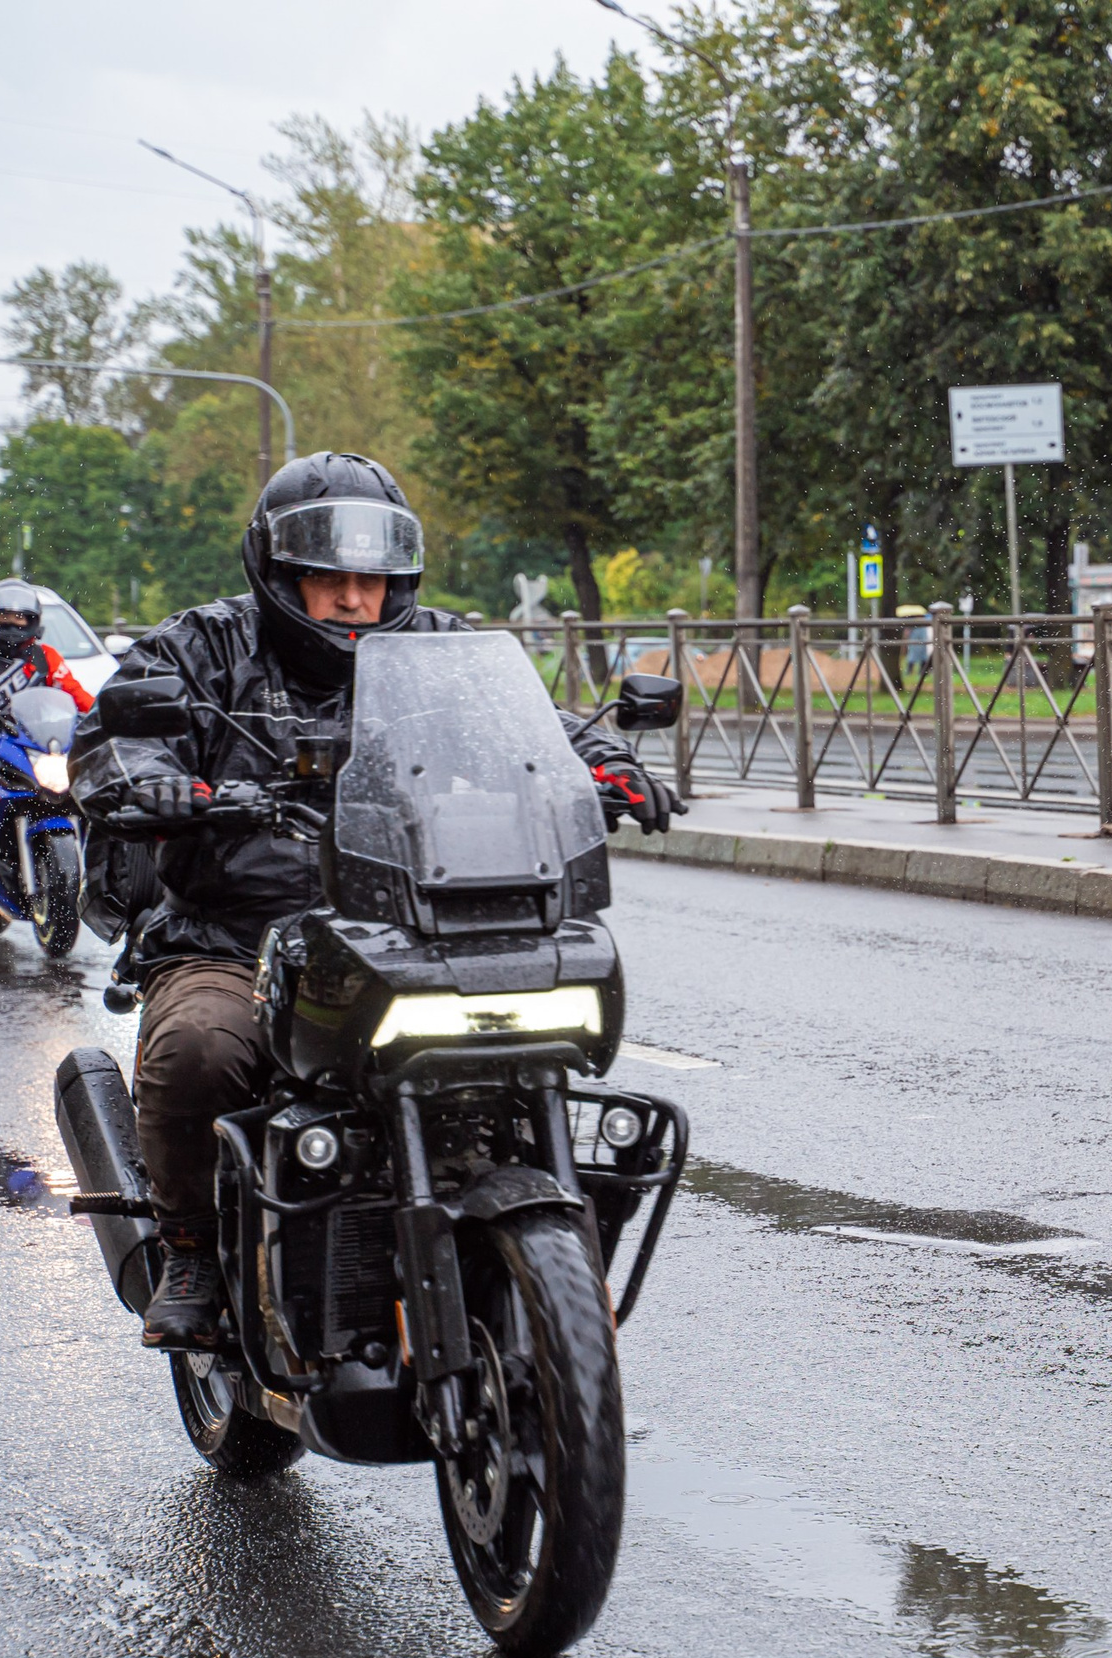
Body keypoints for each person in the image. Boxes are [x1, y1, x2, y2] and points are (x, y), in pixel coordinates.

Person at [71, 452, 677, 1350]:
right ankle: (191, 1245)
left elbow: (542, 732)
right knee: (199, 1046)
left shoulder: (441, 647)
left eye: (373, 580)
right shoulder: (200, 648)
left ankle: (534, 1258)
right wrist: (149, 781)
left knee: (527, 1029)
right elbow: (111, 736)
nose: (356, 600)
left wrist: (611, 769)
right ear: (281, 576)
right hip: (236, 937)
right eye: (331, 580)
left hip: (413, 928)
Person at [0, 579, 95, 881]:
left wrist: (103, 712)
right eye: (4, 617)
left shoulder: (46, 657)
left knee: (91, 788)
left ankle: (98, 862)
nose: (13, 625)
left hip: (36, 744)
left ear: (33, 622)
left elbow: (74, 692)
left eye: (20, 618)